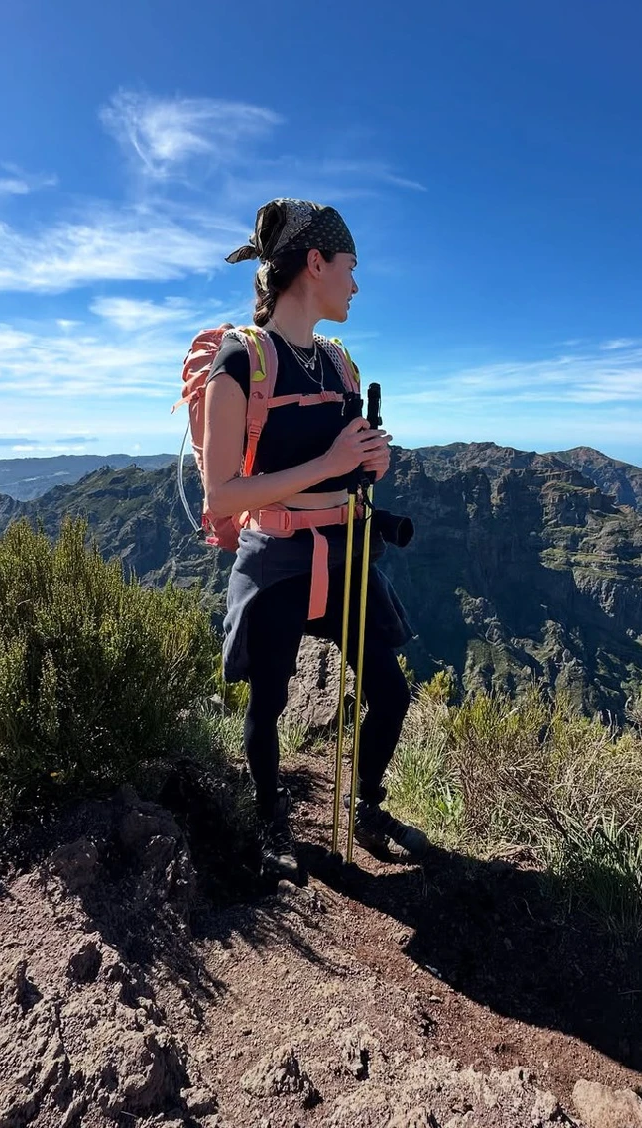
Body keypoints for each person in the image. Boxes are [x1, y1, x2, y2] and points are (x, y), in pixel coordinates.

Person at [204, 198, 428, 880]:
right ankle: (270, 822)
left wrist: (370, 462)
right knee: (269, 701)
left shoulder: (339, 363)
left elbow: (348, 464)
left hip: (344, 548)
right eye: (350, 266)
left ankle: (366, 806)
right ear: (315, 263)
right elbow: (222, 496)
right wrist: (330, 462)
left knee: (390, 692)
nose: (356, 283)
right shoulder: (240, 362)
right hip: (277, 554)